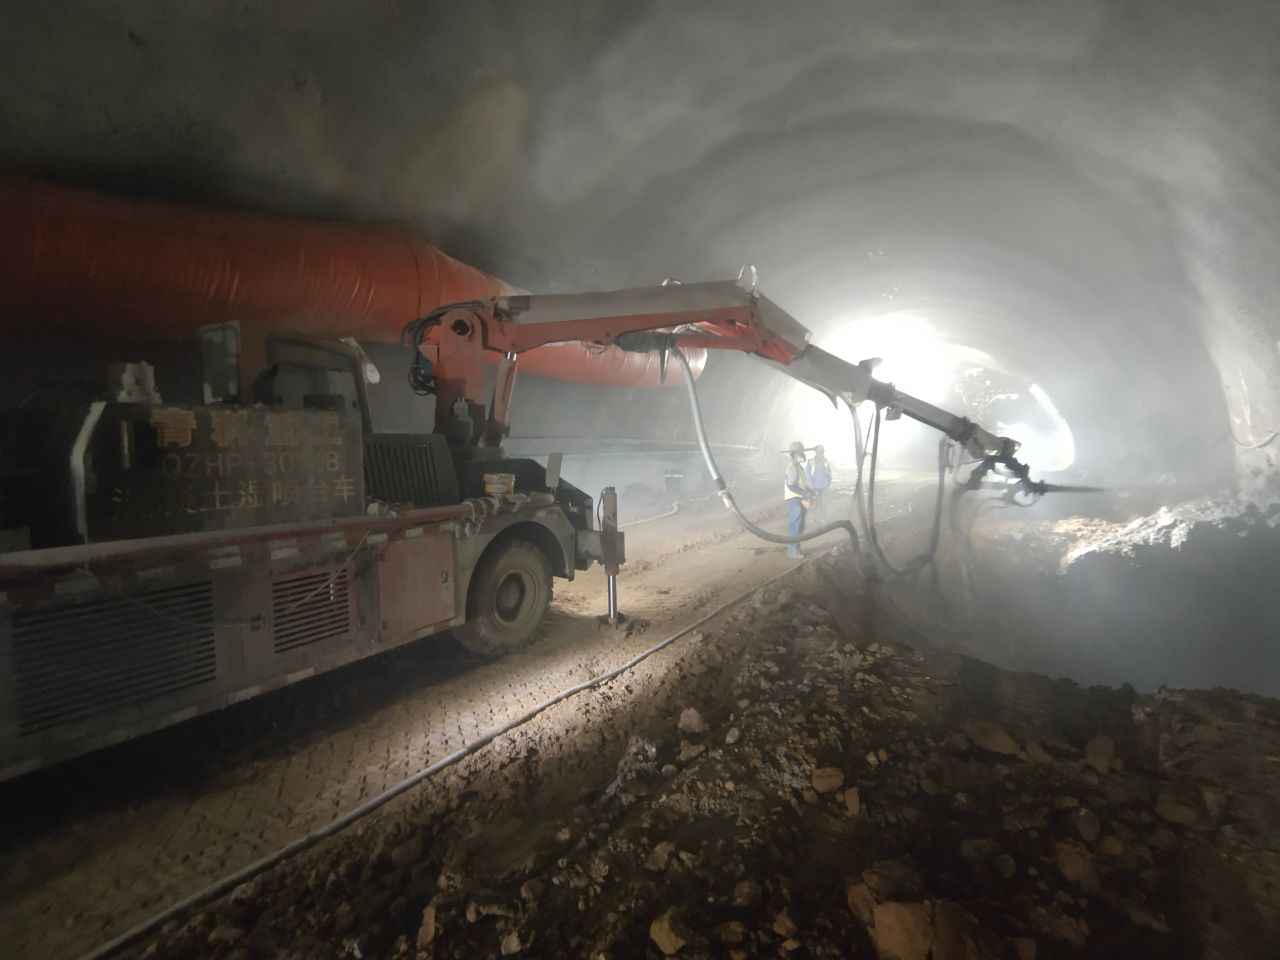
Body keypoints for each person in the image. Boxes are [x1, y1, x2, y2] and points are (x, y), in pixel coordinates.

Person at [783, 440, 814, 559]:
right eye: (801, 452)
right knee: (795, 524)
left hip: (799, 497)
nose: (802, 454)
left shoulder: (799, 467)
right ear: (796, 454)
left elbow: (802, 484)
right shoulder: (792, 467)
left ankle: (796, 547)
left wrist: (810, 492)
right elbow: (791, 485)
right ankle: (792, 551)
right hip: (794, 498)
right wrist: (804, 493)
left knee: (801, 524)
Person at [806, 444, 832, 525]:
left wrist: (828, 484)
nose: (821, 453)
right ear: (816, 452)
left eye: (822, 452)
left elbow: (829, 474)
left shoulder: (826, 462)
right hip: (814, 487)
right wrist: (811, 486)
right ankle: (811, 518)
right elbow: (808, 475)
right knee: (813, 503)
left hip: (824, 487)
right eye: (819, 452)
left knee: (823, 502)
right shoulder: (810, 462)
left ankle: (823, 518)